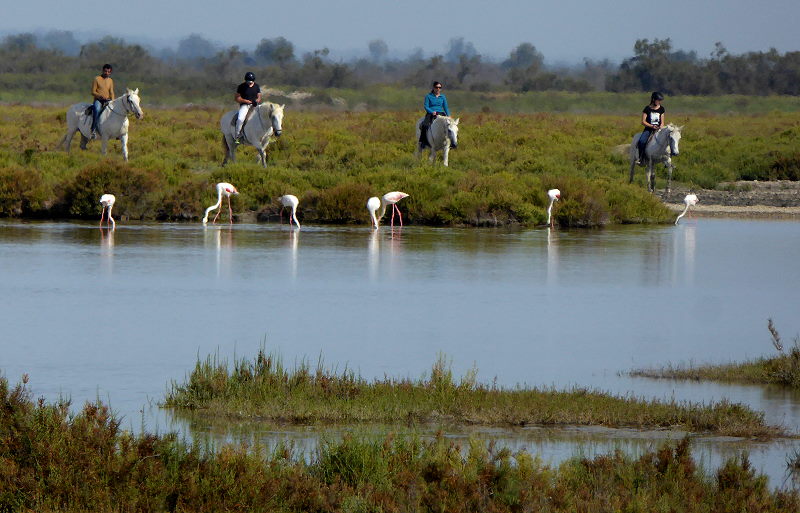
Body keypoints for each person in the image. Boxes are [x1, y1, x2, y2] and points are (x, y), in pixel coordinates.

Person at [636, 91, 666, 164]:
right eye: (658, 100)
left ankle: (667, 158)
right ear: (653, 99)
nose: (659, 102)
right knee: (641, 141)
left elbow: (662, 122)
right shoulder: (647, 109)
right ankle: (641, 158)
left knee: (668, 139)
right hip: (649, 129)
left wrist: (660, 127)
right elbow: (643, 121)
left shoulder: (661, 109)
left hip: (659, 129)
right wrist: (652, 126)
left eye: (660, 100)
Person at [419, 81, 450, 148]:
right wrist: (431, 111)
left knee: (450, 126)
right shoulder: (428, 96)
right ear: (433, 88)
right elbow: (426, 106)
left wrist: (448, 116)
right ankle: (423, 142)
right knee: (424, 125)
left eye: (440, 87)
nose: (438, 89)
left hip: (441, 113)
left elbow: (445, 107)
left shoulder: (443, 97)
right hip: (431, 113)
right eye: (436, 87)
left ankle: (451, 142)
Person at [234, 71, 262, 144]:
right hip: (245, 106)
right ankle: (237, 136)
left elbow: (259, 96)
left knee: (265, 116)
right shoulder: (241, 86)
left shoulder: (256, 86)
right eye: (248, 81)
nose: (250, 83)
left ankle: (269, 135)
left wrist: (257, 101)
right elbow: (237, 98)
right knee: (240, 119)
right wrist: (245, 101)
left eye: (251, 82)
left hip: (254, 105)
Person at [91, 64, 115, 139]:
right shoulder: (97, 79)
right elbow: (93, 92)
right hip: (99, 100)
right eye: (105, 71)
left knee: (114, 112)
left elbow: (111, 92)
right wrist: (100, 96)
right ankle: (93, 130)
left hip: (107, 100)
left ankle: (115, 131)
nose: (107, 73)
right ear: (103, 70)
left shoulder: (110, 80)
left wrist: (113, 100)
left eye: (108, 72)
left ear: (110, 72)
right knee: (97, 110)